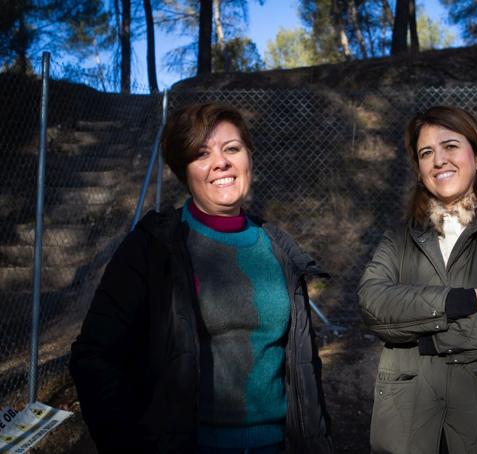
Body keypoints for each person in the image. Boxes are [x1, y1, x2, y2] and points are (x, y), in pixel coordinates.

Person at [70, 103, 332, 454]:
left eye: (232, 149)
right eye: (201, 153)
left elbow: (303, 367)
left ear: (248, 159)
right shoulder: (154, 248)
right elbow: (93, 356)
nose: (221, 162)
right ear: (184, 171)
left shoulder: (280, 249)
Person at [357, 105, 477, 454]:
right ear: (419, 170)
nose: (439, 160)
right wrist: (459, 301)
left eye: (450, 146)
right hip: (411, 423)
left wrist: (429, 339)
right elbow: (373, 303)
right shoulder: (399, 238)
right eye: (426, 153)